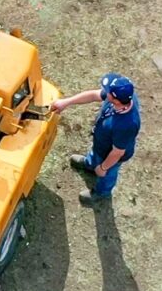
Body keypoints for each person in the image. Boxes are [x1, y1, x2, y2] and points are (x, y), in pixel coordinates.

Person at [51, 73, 141, 206]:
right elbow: (93, 95)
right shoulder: (122, 98)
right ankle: (90, 164)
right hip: (101, 144)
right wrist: (66, 102)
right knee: (95, 155)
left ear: (115, 99)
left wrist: (103, 167)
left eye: (108, 91)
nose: (105, 91)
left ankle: (101, 192)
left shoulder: (127, 125)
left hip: (111, 156)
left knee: (108, 175)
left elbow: (117, 153)